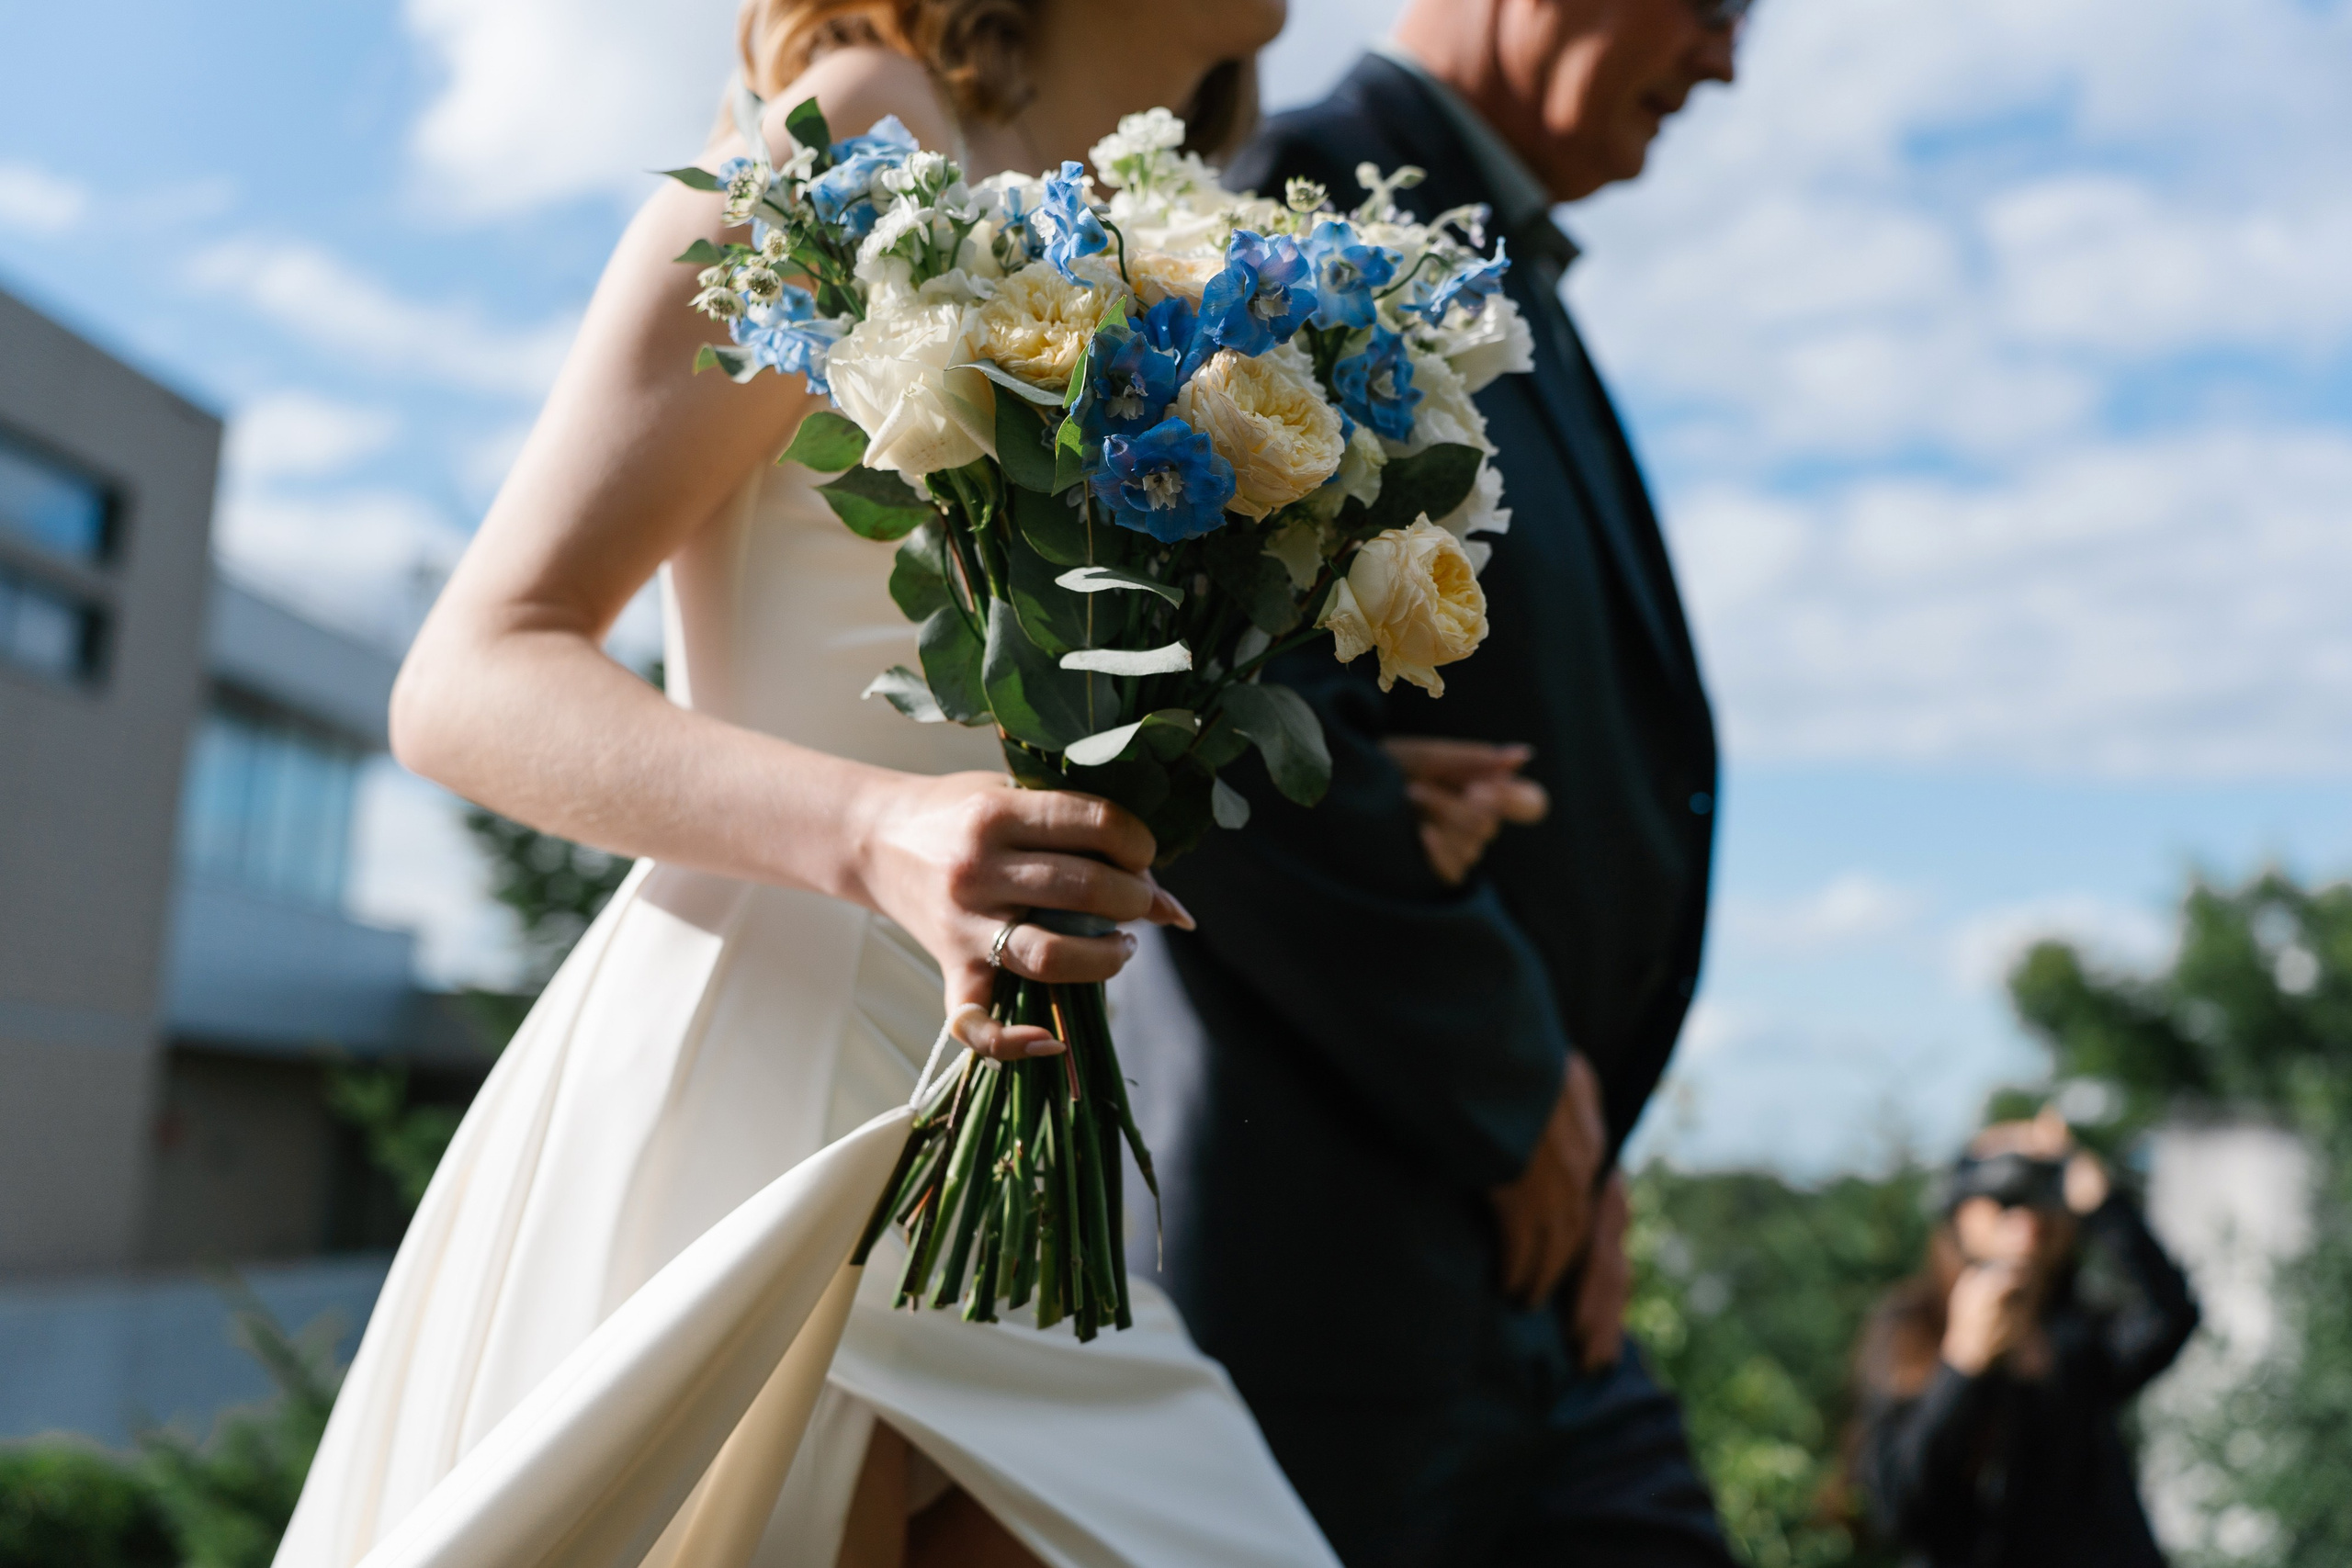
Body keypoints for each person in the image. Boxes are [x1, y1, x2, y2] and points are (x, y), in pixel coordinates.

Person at [270, 4, 1355, 1567]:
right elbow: (469, 672)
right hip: (771, 1105)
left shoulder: (1178, 246)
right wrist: (876, 827)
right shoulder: (858, 126)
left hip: (1013, 1128)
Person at [1136, 1, 1745, 1563]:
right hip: (1338, 1273)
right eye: (1717, 4)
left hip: (1512, 1260)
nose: (1727, 62)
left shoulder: (1477, 245)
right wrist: (1514, 1077)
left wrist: (1568, 1134)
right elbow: (1200, 716)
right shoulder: (1295, 214)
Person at [1853, 1111, 2199, 1567]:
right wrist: (1962, 1366)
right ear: (1960, 1214)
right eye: (2004, 1198)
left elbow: (2169, 1314)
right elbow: (1901, 1508)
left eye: (2041, 1196)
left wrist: (2101, 1202)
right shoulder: (1913, 1327)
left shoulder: (2075, 1335)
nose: (2027, 1220)